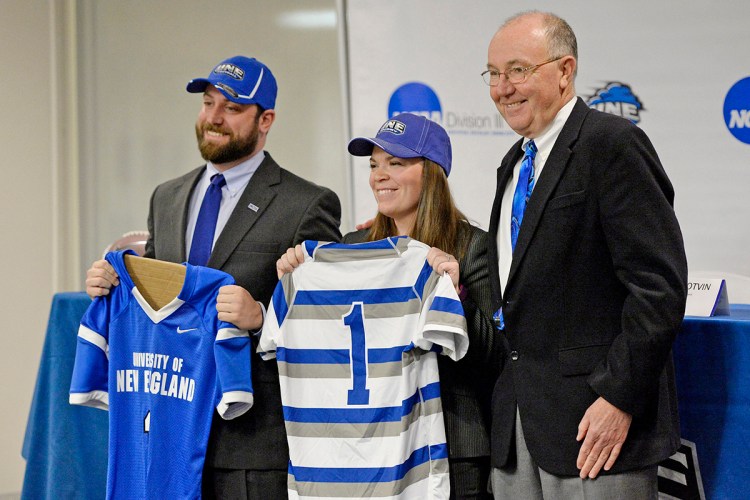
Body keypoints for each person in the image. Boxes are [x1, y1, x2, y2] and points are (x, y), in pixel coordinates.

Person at [84, 55, 342, 498]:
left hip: (252, 442)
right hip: (168, 432)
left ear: (266, 120)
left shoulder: (307, 203)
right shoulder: (166, 197)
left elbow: (330, 321)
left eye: (232, 108)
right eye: (208, 103)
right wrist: (107, 282)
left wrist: (261, 317)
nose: (213, 118)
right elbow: (156, 307)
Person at [481, 11, 688, 499]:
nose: (501, 88)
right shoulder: (512, 164)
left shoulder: (613, 144)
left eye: (517, 70)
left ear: (565, 71)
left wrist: (619, 396)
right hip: (518, 432)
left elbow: (658, 287)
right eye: (493, 73)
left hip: (596, 430)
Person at [277, 112, 500, 499]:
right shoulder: (350, 246)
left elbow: (494, 357)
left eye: (395, 164)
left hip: (450, 447)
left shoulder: (471, 246)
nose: (379, 175)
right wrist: (296, 279)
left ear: (431, 174)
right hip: (366, 453)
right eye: (374, 165)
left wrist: (455, 294)